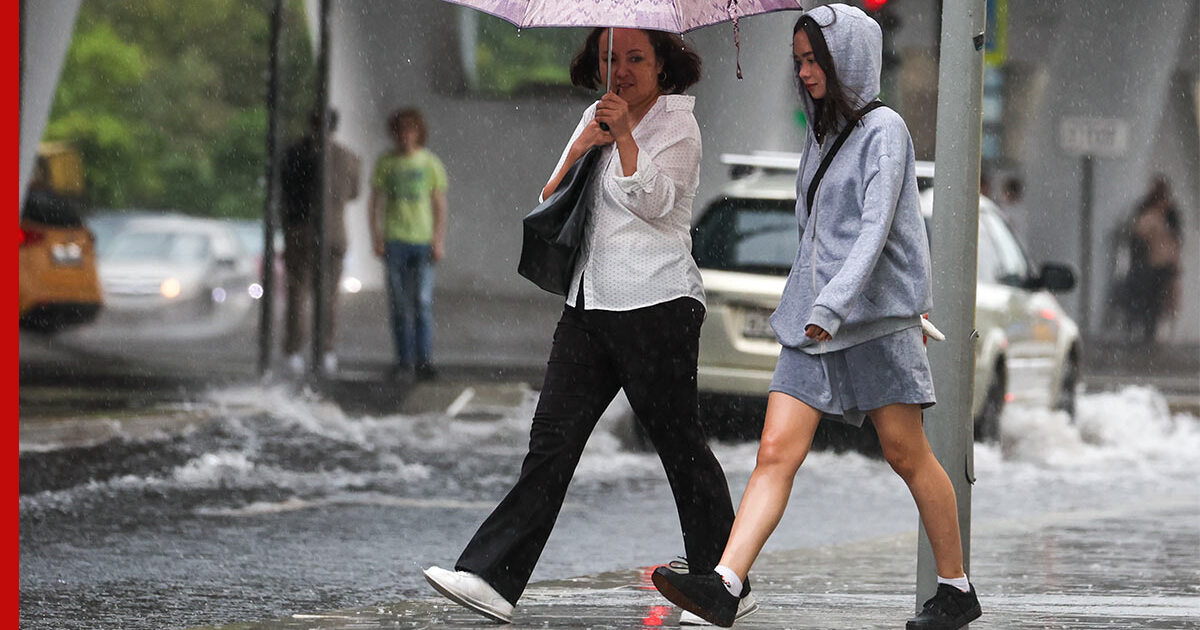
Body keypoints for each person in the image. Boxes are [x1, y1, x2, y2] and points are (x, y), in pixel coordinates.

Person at [651, 6, 982, 630]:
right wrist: (810, 302)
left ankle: (955, 588)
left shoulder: (886, 130)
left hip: (872, 320)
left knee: (906, 453)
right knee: (775, 450)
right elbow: (815, 232)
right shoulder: (822, 130)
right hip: (811, 324)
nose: (804, 72)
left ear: (846, 59)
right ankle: (726, 582)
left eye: (814, 60)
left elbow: (875, 230)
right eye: (799, 60)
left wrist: (836, 303)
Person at [422, 27, 745, 625]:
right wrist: (582, 146)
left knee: (679, 446)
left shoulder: (678, 125)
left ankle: (721, 579)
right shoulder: (592, 118)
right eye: (609, 57)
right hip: (587, 306)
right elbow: (550, 198)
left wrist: (625, 137)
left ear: (662, 63)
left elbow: (652, 203)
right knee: (550, 444)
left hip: (657, 306)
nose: (620, 70)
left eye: (634, 58)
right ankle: (492, 578)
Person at [368, 108, 448, 381]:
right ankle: (403, 360)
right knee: (399, 303)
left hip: (421, 240)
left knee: (422, 302)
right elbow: (375, 202)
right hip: (395, 239)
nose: (405, 136)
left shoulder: (429, 163)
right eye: (401, 131)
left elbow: (439, 204)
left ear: (418, 133)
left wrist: (438, 240)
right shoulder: (386, 163)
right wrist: (376, 237)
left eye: (410, 130)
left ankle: (423, 360)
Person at [280, 109, 361, 375]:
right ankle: (325, 350)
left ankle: (294, 350)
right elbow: (353, 194)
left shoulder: (296, 153)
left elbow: (286, 188)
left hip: (300, 231)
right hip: (334, 233)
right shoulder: (347, 157)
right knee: (328, 297)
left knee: (298, 293)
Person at [1123, 175, 1183, 343]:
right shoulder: (1151, 211)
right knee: (1149, 299)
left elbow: (1176, 238)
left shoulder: (1165, 213)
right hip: (1151, 263)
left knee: (1156, 300)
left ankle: (1148, 333)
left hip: (1160, 264)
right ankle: (1145, 332)